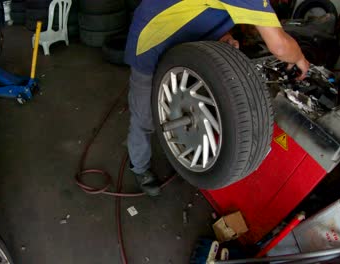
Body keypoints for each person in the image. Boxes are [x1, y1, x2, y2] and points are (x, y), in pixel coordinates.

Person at [124, 0, 310, 196]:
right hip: (153, 36)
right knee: (144, 117)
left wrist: (223, 34)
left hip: (183, 34)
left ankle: (176, 145)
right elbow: (280, 47)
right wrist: (299, 59)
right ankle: (139, 167)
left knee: (178, 90)